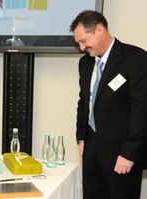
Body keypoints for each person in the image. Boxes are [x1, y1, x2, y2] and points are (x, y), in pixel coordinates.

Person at [70, 10, 147, 199]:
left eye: (83, 41)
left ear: (99, 29)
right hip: (92, 153)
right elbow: (84, 102)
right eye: (78, 42)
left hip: (121, 155)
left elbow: (142, 110)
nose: (81, 48)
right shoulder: (85, 64)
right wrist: (81, 138)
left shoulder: (136, 59)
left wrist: (129, 153)